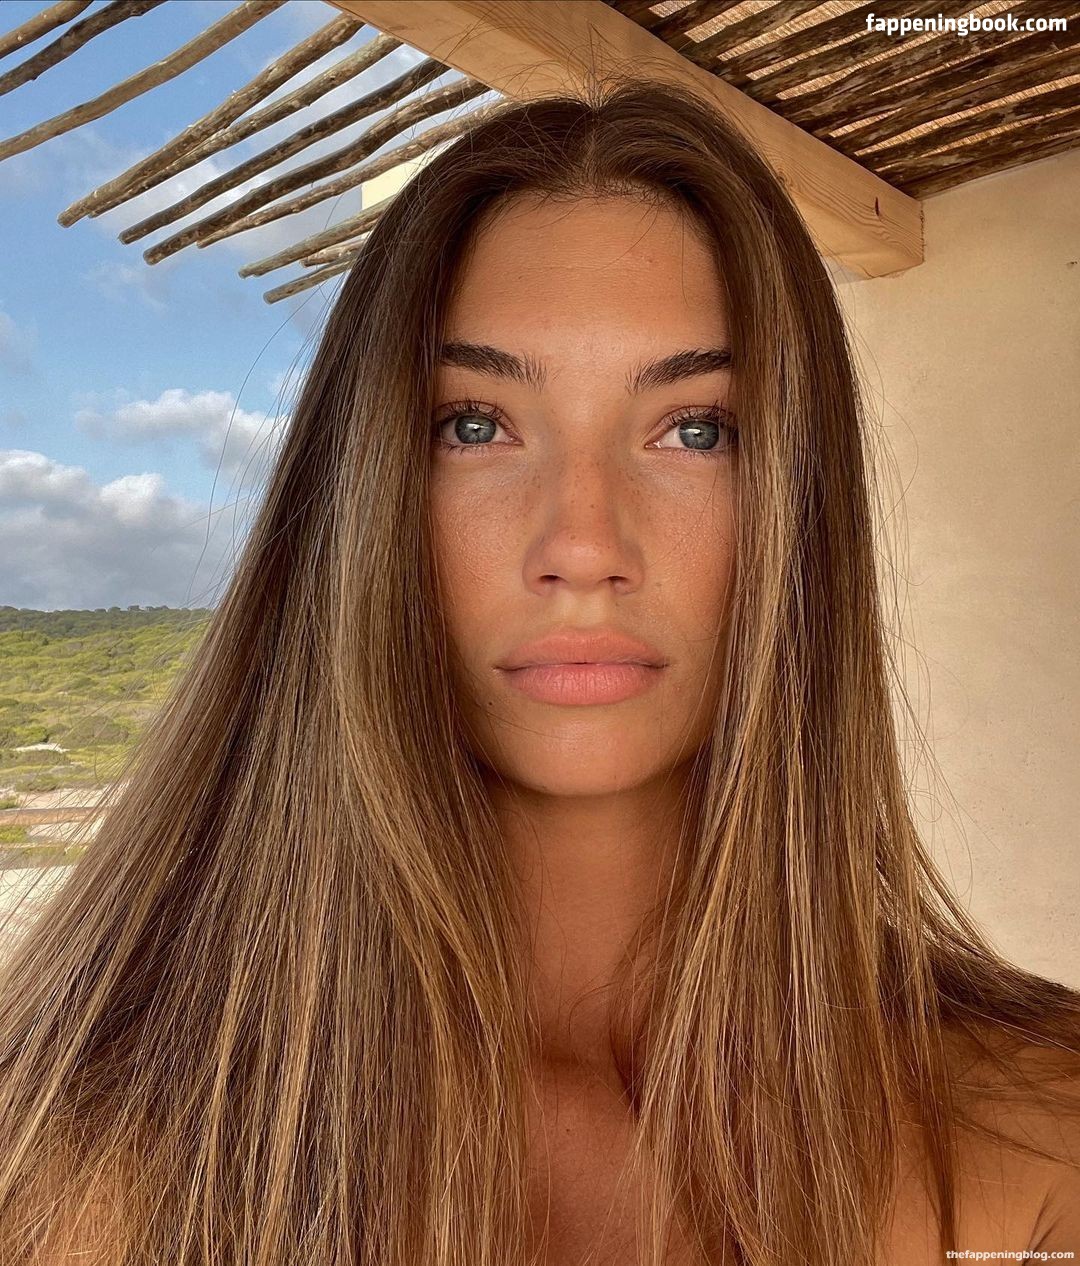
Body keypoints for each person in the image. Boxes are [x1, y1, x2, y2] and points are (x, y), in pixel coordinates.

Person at [0, 76, 1077, 1266]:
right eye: (476, 426)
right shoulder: (76, 1145)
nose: (582, 545)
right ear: (364, 498)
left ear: (799, 509)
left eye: (697, 429)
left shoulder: (1038, 1131)